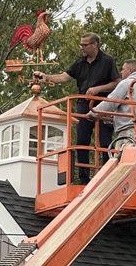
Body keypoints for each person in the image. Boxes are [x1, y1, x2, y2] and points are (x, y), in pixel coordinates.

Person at [34, 32, 120, 184]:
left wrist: (98, 89)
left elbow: (117, 82)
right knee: (81, 140)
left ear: (95, 45)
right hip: (83, 103)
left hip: (103, 103)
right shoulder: (80, 62)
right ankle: (83, 178)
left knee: (105, 141)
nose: (82, 48)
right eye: (81, 45)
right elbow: (63, 77)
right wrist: (45, 77)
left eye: (85, 45)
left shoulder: (108, 61)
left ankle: (107, 174)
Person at [85, 59, 136, 150]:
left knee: (120, 160)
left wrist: (93, 113)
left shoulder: (127, 83)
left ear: (130, 70)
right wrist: (112, 117)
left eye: (123, 69)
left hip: (127, 133)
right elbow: (130, 108)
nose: (121, 72)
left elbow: (111, 102)